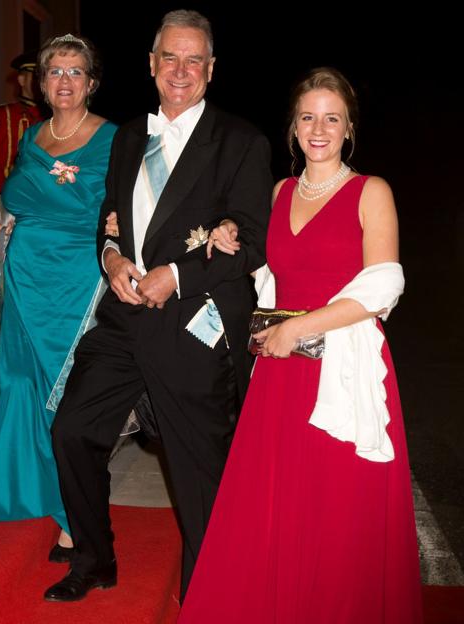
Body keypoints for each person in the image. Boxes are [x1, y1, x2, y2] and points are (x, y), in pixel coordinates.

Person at [178, 67, 423, 623]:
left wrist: (301, 327)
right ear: (292, 127)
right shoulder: (280, 191)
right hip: (282, 371)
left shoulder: (370, 191)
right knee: (281, 508)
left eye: (331, 118)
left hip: (342, 364)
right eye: (308, 117)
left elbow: (383, 284)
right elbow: (273, 272)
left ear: (349, 129)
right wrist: (233, 237)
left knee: (337, 509)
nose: (319, 129)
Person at [44, 10, 272, 603]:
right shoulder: (126, 136)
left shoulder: (242, 141)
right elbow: (110, 220)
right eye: (169, 57)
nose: (180, 70)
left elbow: (250, 241)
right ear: (151, 64)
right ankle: (94, 559)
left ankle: (209, 591)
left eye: (193, 59)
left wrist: (176, 275)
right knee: (72, 431)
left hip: (194, 325)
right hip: (124, 320)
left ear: (211, 69)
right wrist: (113, 260)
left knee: (199, 474)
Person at [0, 34, 117, 564]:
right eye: (55, 72)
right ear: (40, 81)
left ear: (91, 82)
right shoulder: (30, 136)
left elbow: (127, 211)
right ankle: (27, 490)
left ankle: (77, 516)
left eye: (76, 72)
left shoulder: (115, 139)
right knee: (23, 385)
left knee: (66, 394)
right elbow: (15, 197)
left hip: (76, 281)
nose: (65, 81)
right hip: (24, 278)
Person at [0, 50, 42, 193]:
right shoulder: (6, 114)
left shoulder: (52, 117)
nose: (39, 81)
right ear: (22, 80)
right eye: (35, 76)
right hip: (17, 199)